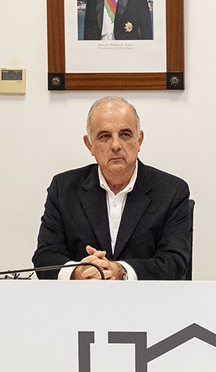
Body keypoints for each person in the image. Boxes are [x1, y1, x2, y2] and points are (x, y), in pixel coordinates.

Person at [33, 96, 191, 280]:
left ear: (139, 140)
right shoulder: (63, 189)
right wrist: (77, 272)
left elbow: (175, 262)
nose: (116, 145)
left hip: (146, 297)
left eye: (125, 134)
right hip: (82, 296)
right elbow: (45, 257)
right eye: (104, 136)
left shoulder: (172, 191)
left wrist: (120, 270)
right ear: (89, 145)